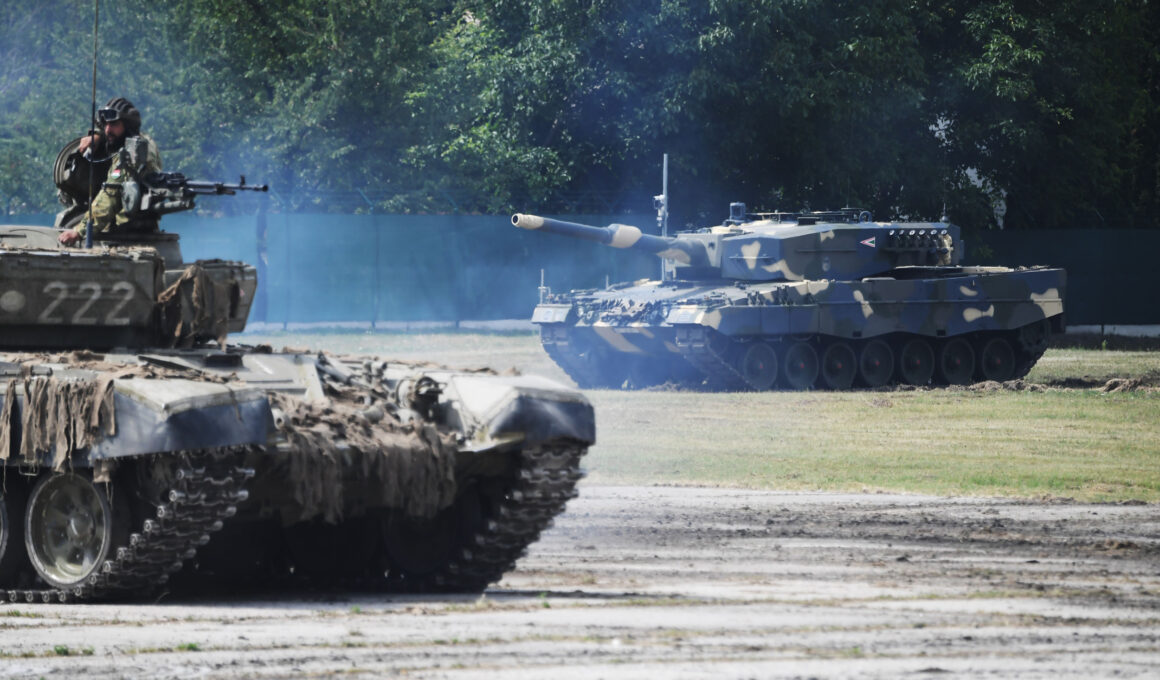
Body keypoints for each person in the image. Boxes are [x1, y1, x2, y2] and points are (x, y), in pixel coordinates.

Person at [58, 97, 163, 245]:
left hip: (126, 233)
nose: (108, 129)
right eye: (105, 124)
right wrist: (98, 135)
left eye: (114, 124)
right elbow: (110, 133)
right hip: (140, 227)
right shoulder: (144, 141)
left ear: (127, 126)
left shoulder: (131, 155)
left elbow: (109, 197)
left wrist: (78, 231)